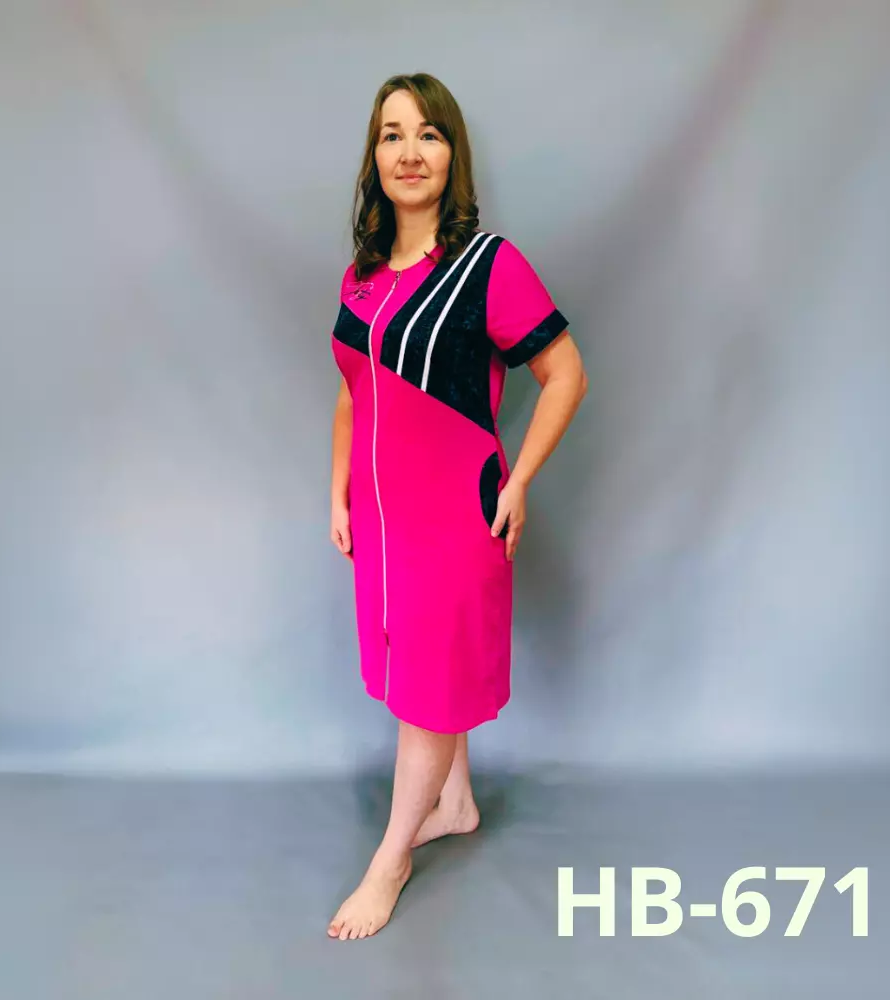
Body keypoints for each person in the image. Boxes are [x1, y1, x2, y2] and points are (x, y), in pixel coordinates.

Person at [326, 72, 588, 941]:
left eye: (429, 134)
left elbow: (564, 373)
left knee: (431, 685)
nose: (410, 152)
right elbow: (354, 390)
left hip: (454, 517)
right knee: (415, 668)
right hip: (382, 519)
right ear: (375, 156)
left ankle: (391, 860)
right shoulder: (362, 278)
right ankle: (457, 802)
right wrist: (338, 490)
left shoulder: (488, 266)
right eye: (392, 134)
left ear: (453, 155)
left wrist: (520, 481)